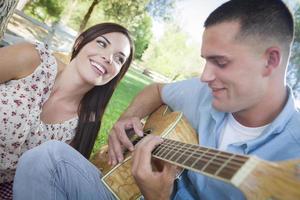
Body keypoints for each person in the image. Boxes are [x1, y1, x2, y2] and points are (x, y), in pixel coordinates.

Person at [13, 0, 300, 199]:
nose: (204, 76)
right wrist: (127, 119)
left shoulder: (292, 152)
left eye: (220, 62)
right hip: (120, 191)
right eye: (205, 61)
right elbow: (157, 90)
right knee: (47, 157)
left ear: (270, 61)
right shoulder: (205, 93)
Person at [0, 22, 134, 199]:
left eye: (119, 59)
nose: (108, 58)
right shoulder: (32, 59)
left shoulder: (85, 125)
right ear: (79, 43)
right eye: (102, 43)